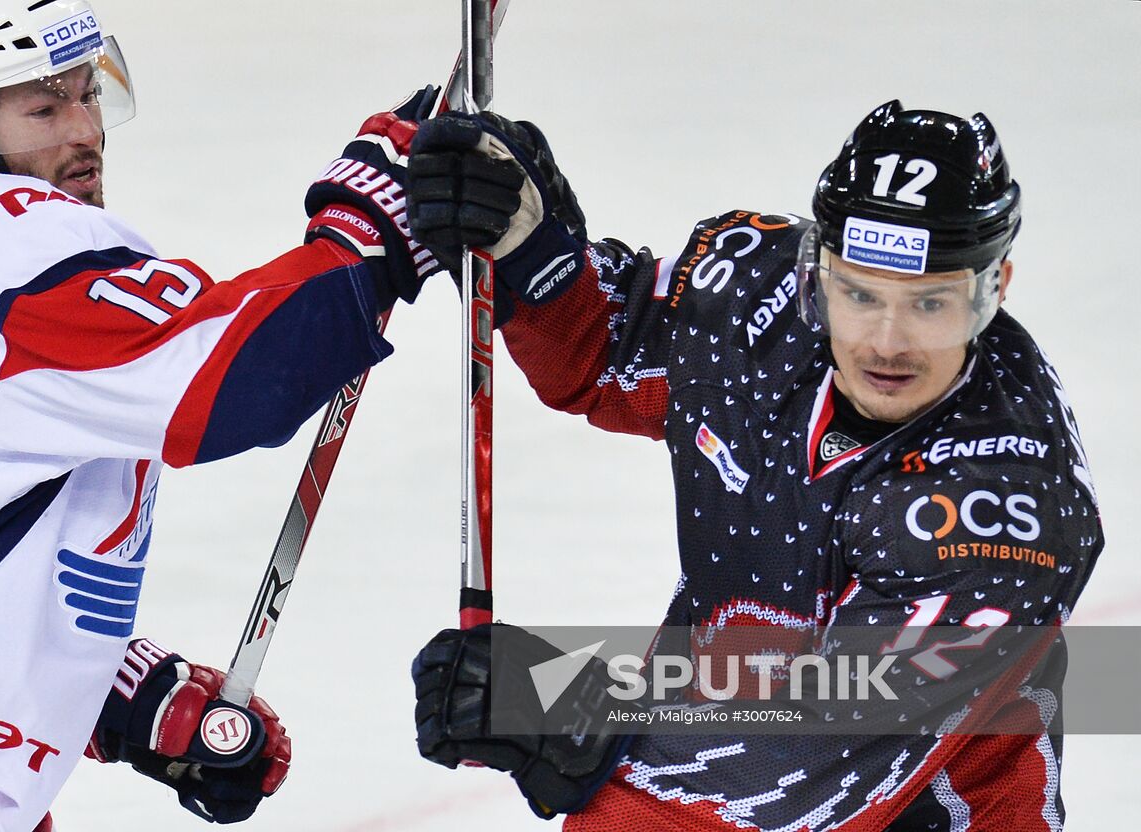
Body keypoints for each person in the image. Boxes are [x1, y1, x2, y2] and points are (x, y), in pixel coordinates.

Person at [0, 1, 442, 829]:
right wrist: (365, 233)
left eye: (87, 93)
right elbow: (226, 382)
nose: (84, 130)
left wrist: (111, 689)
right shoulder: (4, 249)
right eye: (44, 107)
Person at [405, 101, 1103, 830]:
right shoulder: (752, 292)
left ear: (995, 288)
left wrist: (568, 712)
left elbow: (817, 748)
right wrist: (529, 252)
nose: (886, 344)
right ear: (818, 269)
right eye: (860, 292)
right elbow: (610, 346)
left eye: (930, 305)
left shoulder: (1007, 513)